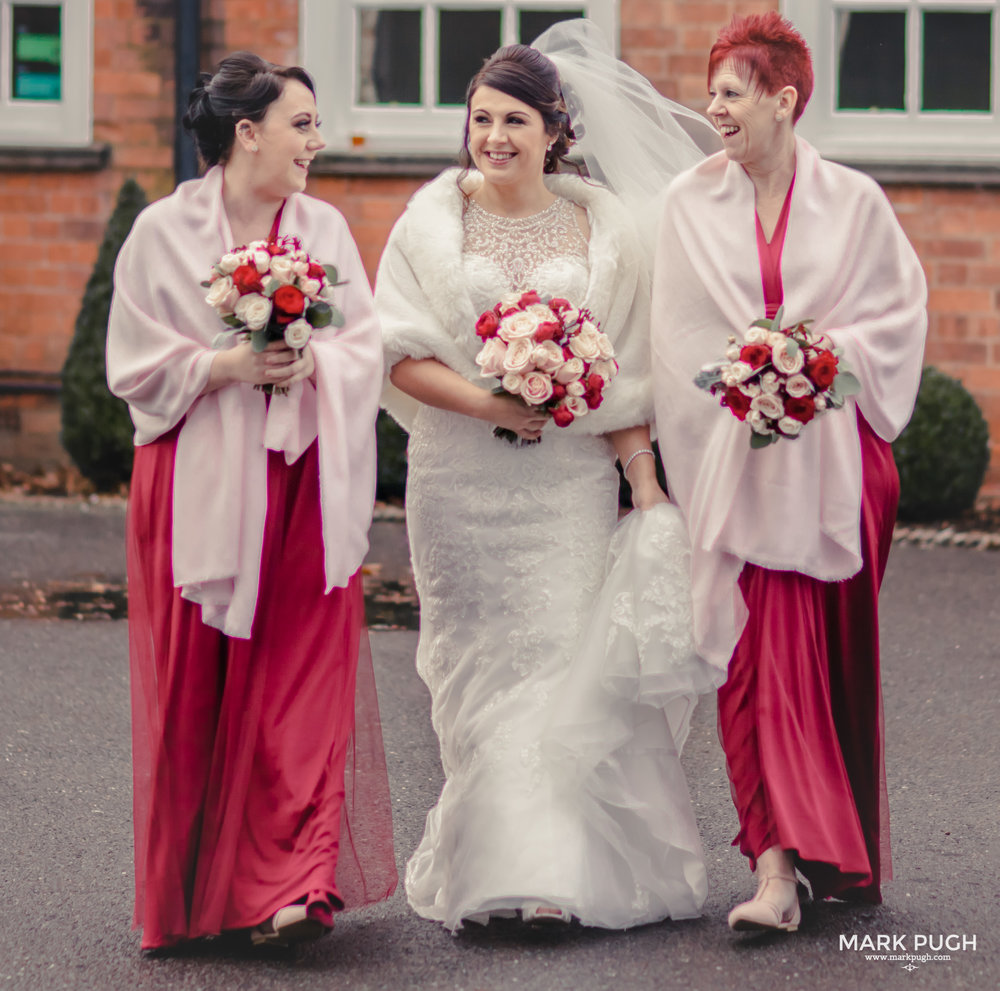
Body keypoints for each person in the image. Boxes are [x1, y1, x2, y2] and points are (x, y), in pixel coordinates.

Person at [375, 23, 720, 932]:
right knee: (474, 670)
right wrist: (492, 405)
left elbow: (630, 376)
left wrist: (644, 486)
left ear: (554, 129)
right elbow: (398, 354)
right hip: (457, 482)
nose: (494, 137)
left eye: (514, 120)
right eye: (482, 118)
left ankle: (542, 875)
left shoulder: (606, 234)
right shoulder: (428, 224)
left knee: (560, 666)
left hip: (564, 487)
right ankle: (490, 862)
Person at [107, 52, 396, 952]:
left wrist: (317, 360)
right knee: (197, 689)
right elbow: (131, 365)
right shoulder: (160, 233)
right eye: (302, 124)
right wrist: (222, 365)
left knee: (303, 686)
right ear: (248, 133)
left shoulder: (327, 231)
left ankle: (297, 881)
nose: (316, 141)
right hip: (196, 481)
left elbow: (368, 345)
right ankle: (200, 893)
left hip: (307, 478)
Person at [651, 13, 927, 933]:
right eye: (712, 90)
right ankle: (774, 868)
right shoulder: (689, 203)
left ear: (784, 100)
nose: (713, 108)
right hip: (737, 463)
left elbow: (896, 321)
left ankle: (827, 853)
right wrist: (746, 379)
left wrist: (812, 359)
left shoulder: (856, 203)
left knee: (822, 664)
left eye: (732, 94)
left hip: (838, 468)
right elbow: (678, 336)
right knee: (751, 659)